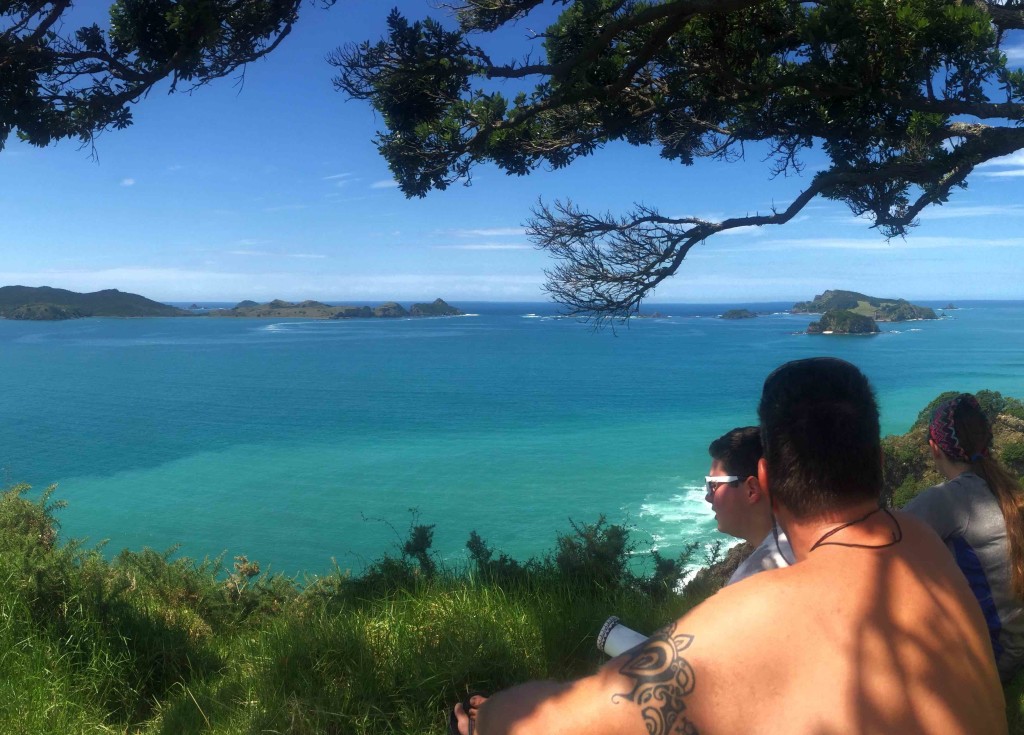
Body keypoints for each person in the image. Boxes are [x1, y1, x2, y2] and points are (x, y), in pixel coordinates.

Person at [453, 358, 1006, 735]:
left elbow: (562, 722)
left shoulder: (765, 607)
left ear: (763, 478)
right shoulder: (927, 545)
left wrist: (492, 715)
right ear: (880, 462)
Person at [904, 393, 1024, 682]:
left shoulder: (947, 500)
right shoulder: (1007, 490)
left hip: (997, 656)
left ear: (935, 448)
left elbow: (885, 542)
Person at [705, 426, 791, 584]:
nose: (707, 497)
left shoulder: (753, 580)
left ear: (752, 489)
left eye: (713, 485)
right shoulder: (805, 544)